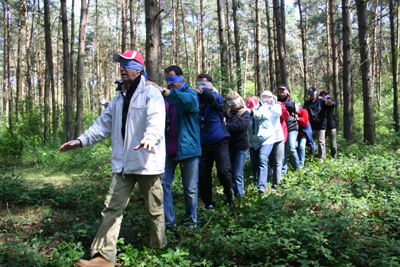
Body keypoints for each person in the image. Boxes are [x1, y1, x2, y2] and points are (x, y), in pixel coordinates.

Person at [59, 50, 167, 267]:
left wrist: (149, 138)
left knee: (154, 209)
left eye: (126, 64)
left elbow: (156, 120)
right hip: (123, 164)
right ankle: (103, 257)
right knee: (111, 208)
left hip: (147, 163)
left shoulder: (150, 93)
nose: (121, 68)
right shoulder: (118, 97)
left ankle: (160, 252)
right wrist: (80, 141)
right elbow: (102, 125)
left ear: (138, 69)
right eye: (121, 64)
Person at [145, 65, 201, 229]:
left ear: (181, 78)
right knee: (163, 184)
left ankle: (191, 221)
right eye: (167, 80)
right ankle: (169, 220)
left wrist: (164, 91)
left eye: (173, 80)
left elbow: (186, 102)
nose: (170, 83)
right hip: (168, 149)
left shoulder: (190, 93)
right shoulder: (165, 98)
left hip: (188, 149)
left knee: (190, 189)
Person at [193, 73, 233, 209]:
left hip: (219, 141)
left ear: (211, 84)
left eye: (204, 84)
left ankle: (229, 195)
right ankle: (208, 203)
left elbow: (210, 97)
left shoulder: (217, 97)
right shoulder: (195, 99)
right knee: (203, 175)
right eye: (199, 84)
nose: (201, 87)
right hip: (202, 143)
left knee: (223, 171)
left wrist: (200, 91)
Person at [245, 96, 275, 194]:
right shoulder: (247, 111)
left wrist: (249, 112)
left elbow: (258, 115)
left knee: (262, 159)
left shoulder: (264, 109)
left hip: (266, 139)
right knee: (254, 163)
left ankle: (261, 186)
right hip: (253, 141)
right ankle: (257, 179)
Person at [223, 91, 250, 198]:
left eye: (234, 102)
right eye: (230, 102)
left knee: (238, 174)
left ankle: (240, 198)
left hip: (241, 147)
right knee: (230, 173)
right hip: (229, 147)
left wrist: (226, 124)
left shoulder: (245, 113)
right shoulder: (226, 113)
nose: (232, 105)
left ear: (239, 101)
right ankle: (233, 196)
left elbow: (238, 127)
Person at [303, 87, 334, 163]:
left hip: (321, 124)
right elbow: (305, 111)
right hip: (311, 124)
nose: (311, 96)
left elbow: (331, 105)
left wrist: (330, 102)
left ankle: (322, 157)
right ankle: (310, 154)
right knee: (308, 139)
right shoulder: (307, 103)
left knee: (321, 141)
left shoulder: (322, 101)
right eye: (310, 94)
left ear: (316, 93)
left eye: (313, 94)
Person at [261, 91, 284, 190]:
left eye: (268, 99)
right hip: (266, 139)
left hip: (278, 137)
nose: (266, 101)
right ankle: (269, 175)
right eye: (264, 99)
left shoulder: (276, 106)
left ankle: (276, 184)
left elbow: (279, 113)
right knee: (263, 159)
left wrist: (269, 106)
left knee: (277, 161)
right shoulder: (261, 108)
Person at [277, 85, 300, 173]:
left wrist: (280, 104)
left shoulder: (290, 99)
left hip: (291, 127)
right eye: (280, 90)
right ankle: (283, 170)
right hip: (281, 128)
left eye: (283, 90)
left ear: (287, 91)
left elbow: (290, 106)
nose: (281, 92)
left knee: (291, 148)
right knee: (282, 151)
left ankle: (297, 168)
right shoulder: (276, 101)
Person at [295, 103, 317, 168]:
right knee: (295, 147)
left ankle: (301, 164)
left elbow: (304, 121)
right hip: (296, 133)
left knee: (302, 147)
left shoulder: (304, 111)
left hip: (304, 133)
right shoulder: (291, 113)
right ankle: (296, 162)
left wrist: (298, 118)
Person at [319, 91, 337, 158]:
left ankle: (334, 156)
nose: (323, 96)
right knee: (322, 143)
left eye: (324, 95)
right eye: (322, 95)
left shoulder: (330, 99)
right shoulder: (319, 101)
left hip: (331, 125)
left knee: (333, 144)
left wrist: (326, 101)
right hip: (323, 125)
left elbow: (333, 104)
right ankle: (323, 158)